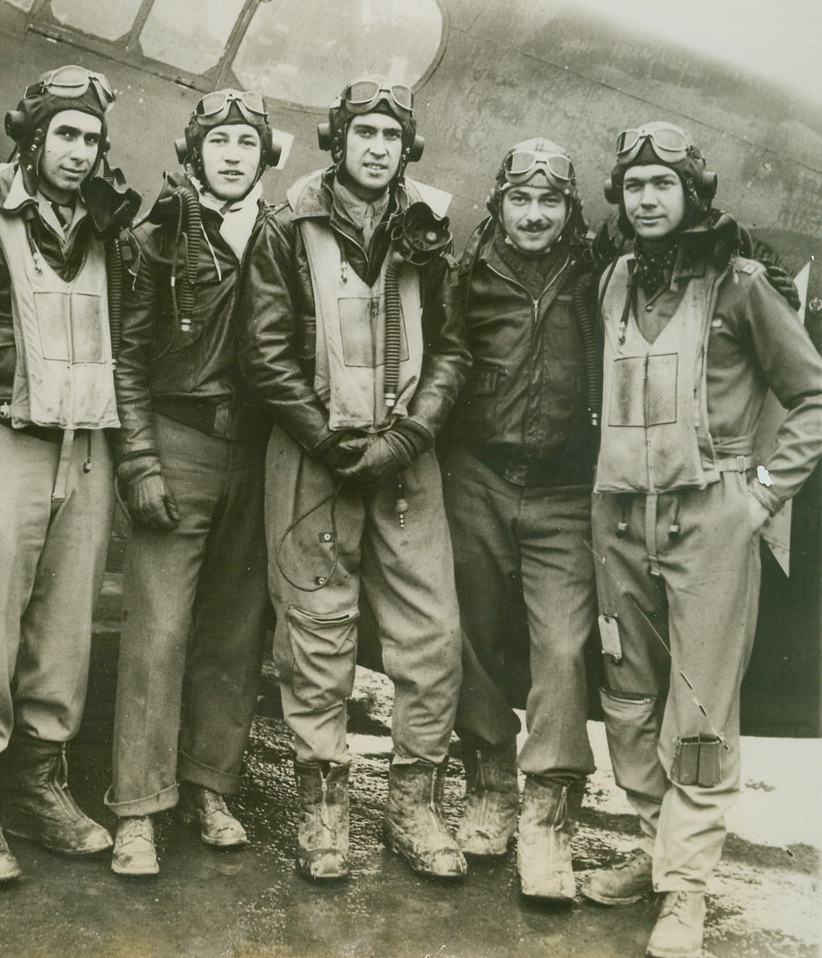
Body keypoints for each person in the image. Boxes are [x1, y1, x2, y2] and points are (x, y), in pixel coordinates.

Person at [581, 122, 822, 958]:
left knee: (701, 712)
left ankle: (685, 891)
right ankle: (659, 856)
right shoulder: (613, 280)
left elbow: (812, 396)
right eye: (635, 184)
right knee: (626, 696)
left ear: (692, 193)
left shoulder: (741, 282)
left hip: (708, 519)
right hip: (619, 517)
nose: (647, 199)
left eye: (663, 185)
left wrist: (760, 494)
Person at [0, 65, 138, 883]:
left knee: (68, 623)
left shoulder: (108, 227)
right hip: (4, 437)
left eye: (91, 138)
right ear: (34, 138)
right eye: (65, 135)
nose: (78, 153)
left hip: (88, 445)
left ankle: (40, 786)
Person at [240, 77, 469, 882]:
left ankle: (413, 808)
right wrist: (328, 441)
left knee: (431, 637)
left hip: (406, 460)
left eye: (390, 135)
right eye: (363, 132)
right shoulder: (285, 225)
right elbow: (264, 351)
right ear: (340, 142)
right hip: (314, 461)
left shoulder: (431, 230)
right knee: (315, 635)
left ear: (407, 148)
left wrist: (408, 436)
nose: (377, 147)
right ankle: (323, 811)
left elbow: (451, 350)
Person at [105, 90, 279, 877]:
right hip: (179, 444)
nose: (234, 154)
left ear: (264, 155)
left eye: (247, 142)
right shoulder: (155, 240)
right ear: (195, 152)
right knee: (160, 633)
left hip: (261, 454)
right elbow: (128, 360)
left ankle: (209, 787)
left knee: (236, 633)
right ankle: (138, 808)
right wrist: (139, 462)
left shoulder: (283, 240)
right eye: (220, 142)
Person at [440, 139, 598, 901]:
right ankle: (491, 781)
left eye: (550, 202)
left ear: (570, 211)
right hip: (476, 473)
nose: (534, 216)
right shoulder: (468, 272)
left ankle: (546, 814)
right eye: (520, 200)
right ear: (499, 202)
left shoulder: (597, 276)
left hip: (565, 490)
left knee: (564, 647)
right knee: (468, 629)